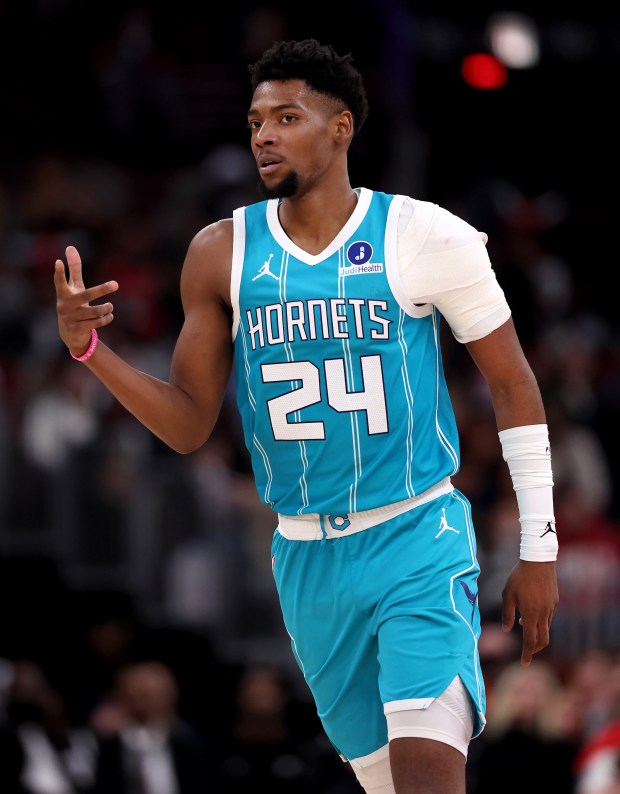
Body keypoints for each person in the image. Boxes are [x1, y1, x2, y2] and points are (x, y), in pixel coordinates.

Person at [54, 37, 559, 794]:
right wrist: (91, 349)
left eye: (287, 117)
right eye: (256, 120)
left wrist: (540, 546)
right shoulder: (219, 252)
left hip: (418, 536)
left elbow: (515, 386)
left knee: (429, 777)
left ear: (340, 128)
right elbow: (190, 424)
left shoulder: (424, 235)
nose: (263, 134)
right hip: (306, 559)